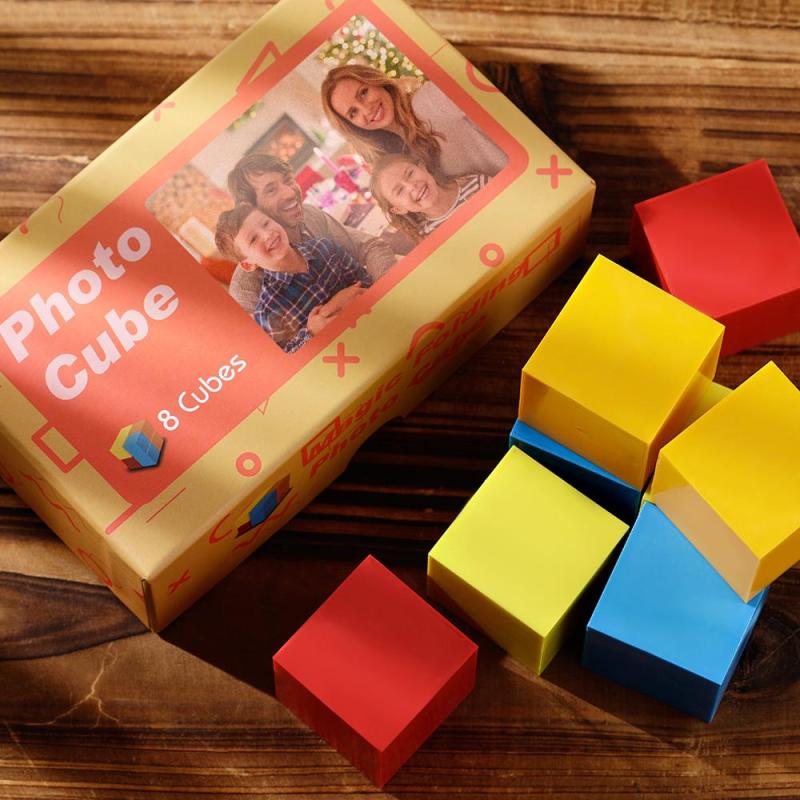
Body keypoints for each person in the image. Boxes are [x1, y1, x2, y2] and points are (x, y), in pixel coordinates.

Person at [225, 153, 395, 314]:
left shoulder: (309, 214)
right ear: (249, 207)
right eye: (271, 190)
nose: (290, 193)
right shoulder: (246, 292)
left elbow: (370, 247)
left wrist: (386, 294)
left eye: (288, 180)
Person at [215, 203, 370, 353]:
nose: (267, 234)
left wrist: (351, 297)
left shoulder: (324, 247)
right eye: (253, 239)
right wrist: (312, 333)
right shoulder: (268, 313)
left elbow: (366, 280)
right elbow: (290, 358)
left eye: (266, 223)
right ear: (248, 264)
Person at [320, 64, 507, 178]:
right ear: (352, 126)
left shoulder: (430, 99)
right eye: (353, 112)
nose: (366, 109)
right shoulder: (394, 152)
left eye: (363, 93)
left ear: (377, 82)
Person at [370, 153, 489, 241]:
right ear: (398, 209)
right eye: (400, 191)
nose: (411, 186)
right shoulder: (428, 237)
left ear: (422, 168)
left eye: (410, 174)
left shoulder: (478, 184)